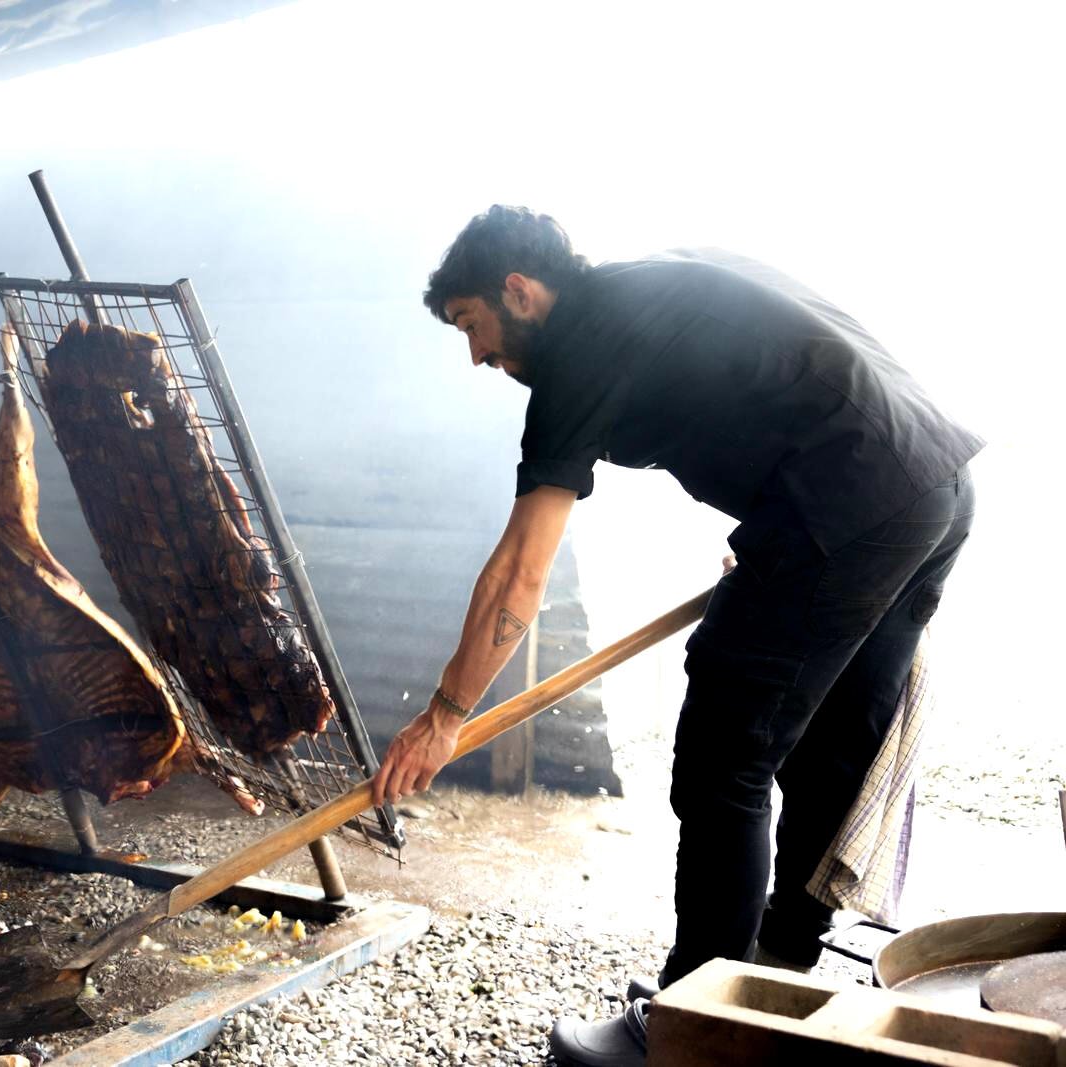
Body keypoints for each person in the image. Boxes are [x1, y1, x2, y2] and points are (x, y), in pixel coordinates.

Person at [372, 206, 980, 1067]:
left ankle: (696, 1022)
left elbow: (519, 569)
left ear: (519, 290)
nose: (477, 356)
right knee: (832, 726)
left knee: (725, 748)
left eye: (473, 325)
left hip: (853, 498)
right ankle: (781, 970)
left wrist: (444, 712)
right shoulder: (650, 286)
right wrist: (774, 545)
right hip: (931, 485)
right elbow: (790, 376)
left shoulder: (577, 345)